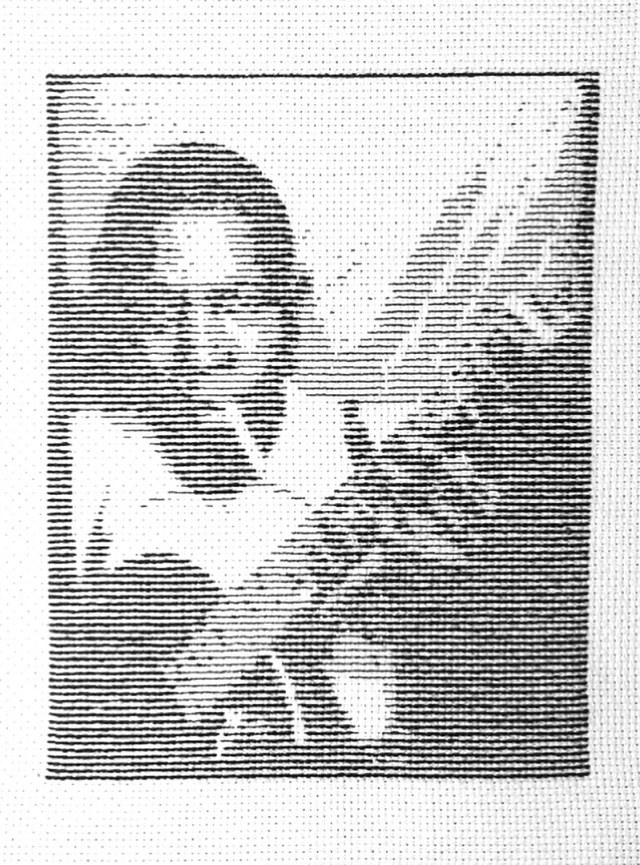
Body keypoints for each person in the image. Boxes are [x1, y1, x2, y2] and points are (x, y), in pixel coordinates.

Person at [52, 142, 399, 776]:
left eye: (234, 304)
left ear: (290, 298)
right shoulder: (91, 452)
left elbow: (372, 671)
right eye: (163, 311)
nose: (202, 346)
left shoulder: (333, 435)